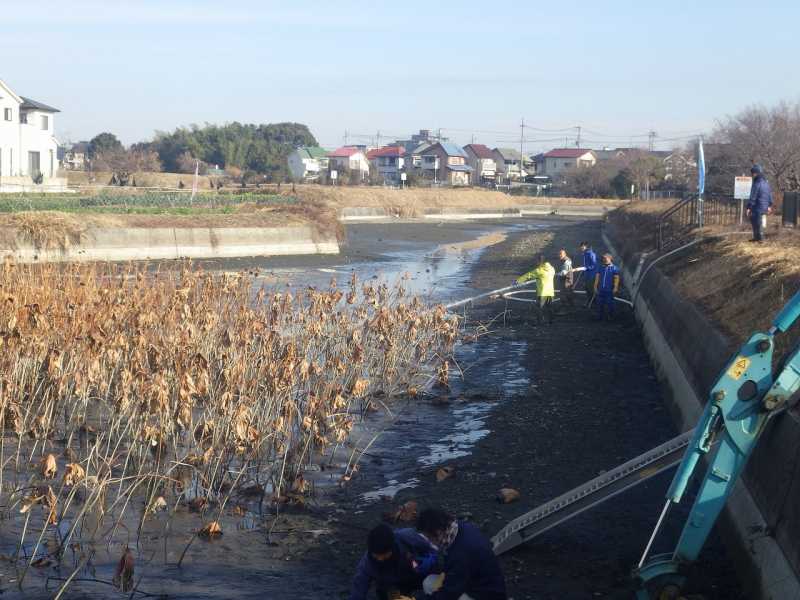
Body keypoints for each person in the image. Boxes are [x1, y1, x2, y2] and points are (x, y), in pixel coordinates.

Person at [415, 508, 507, 600]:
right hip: (484, 583)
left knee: (435, 589)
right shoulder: (460, 527)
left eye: (428, 537)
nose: (428, 541)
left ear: (438, 532)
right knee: (428, 582)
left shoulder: (461, 555)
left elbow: (449, 593)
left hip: (486, 594)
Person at [350, 523, 437, 600]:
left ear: (392, 547)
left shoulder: (408, 537)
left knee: (434, 585)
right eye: (376, 556)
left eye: (384, 555)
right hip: (393, 585)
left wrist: (427, 561)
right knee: (386, 592)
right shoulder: (367, 563)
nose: (380, 559)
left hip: (416, 574)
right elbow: (359, 587)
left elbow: (433, 549)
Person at [516, 255, 555, 324]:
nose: (535, 262)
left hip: (542, 293)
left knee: (539, 307)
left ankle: (539, 321)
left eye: (537, 261)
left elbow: (529, 275)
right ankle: (551, 321)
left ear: (539, 261)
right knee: (549, 307)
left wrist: (518, 281)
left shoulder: (539, 270)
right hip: (551, 292)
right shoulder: (552, 269)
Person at [746, 164, 773, 242]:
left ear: (756, 173)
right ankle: (757, 238)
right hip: (764, 205)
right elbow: (769, 194)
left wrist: (749, 207)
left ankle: (760, 239)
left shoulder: (756, 183)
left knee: (756, 222)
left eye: (753, 173)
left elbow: (753, 196)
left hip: (758, 206)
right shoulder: (766, 183)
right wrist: (769, 205)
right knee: (758, 221)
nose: (752, 175)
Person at [593, 253, 620, 321]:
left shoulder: (614, 268)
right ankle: (599, 316)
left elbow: (616, 279)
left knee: (610, 303)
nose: (604, 260)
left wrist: (615, 287)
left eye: (606, 258)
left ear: (610, 259)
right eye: (603, 258)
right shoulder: (601, 267)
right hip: (601, 289)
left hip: (609, 290)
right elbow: (597, 277)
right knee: (599, 303)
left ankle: (610, 316)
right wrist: (595, 286)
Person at [578, 242, 597, 306]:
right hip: (586, 274)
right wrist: (583, 271)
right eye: (581, 247)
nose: (581, 248)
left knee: (590, 289)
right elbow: (585, 264)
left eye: (582, 247)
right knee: (586, 288)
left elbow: (594, 265)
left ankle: (592, 301)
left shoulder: (591, 254)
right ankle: (590, 300)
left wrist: (585, 268)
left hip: (591, 275)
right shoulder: (584, 254)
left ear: (586, 247)